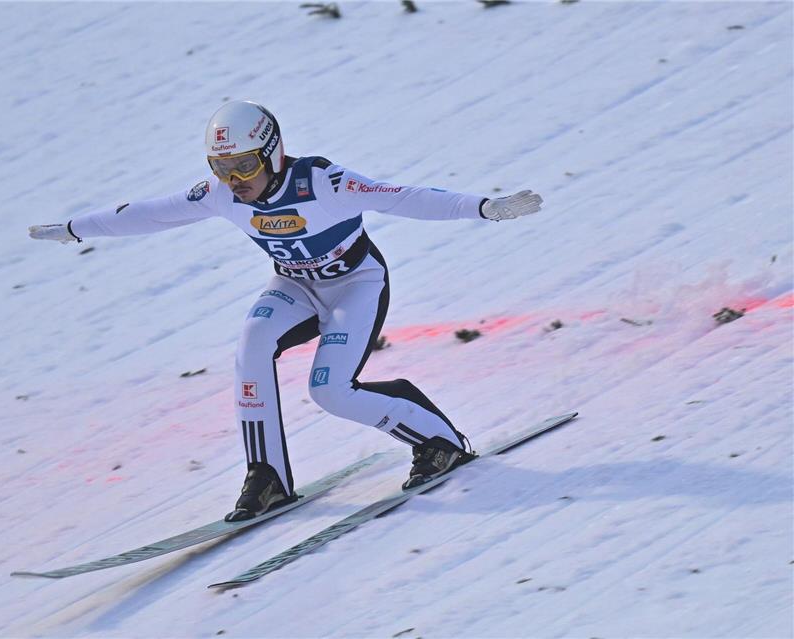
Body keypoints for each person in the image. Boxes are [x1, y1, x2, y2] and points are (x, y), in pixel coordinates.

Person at [29, 100, 543, 521]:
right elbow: (149, 214)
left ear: (272, 154)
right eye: (221, 168)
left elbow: (404, 198)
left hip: (356, 286)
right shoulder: (221, 195)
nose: (234, 179)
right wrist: (76, 228)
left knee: (329, 391)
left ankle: (437, 440)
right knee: (252, 341)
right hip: (295, 286)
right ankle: (266, 475)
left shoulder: (324, 182)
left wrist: (484, 207)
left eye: (244, 165)